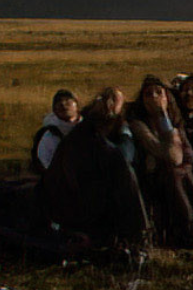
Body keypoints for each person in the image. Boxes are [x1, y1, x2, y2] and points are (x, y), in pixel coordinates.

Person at [40, 87, 151, 252]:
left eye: (115, 100)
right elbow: (121, 157)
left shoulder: (113, 128)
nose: (109, 103)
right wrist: (125, 134)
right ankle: (139, 236)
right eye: (105, 98)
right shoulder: (85, 130)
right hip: (74, 195)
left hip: (96, 191)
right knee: (127, 173)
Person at [126, 76, 193, 247]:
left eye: (159, 93)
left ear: (166, 97)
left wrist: (167, 122)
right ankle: (192, 230)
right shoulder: (139, 124)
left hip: (175, 172)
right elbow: (170, 155)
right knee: (176, 172)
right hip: (151, 176)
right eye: (149, 94)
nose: (154, 97)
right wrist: (164, 120)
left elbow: (187, 155)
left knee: (181, 172)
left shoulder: (175, 121)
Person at [30, 89, 81, 174]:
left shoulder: (88, 130)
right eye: (59, 102)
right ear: (54, 109)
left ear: (77, 106)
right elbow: (44, 161)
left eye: (68, 101)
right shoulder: (49, 134)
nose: (63, 105)